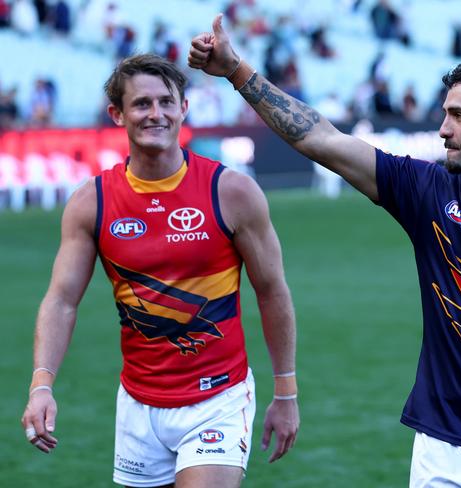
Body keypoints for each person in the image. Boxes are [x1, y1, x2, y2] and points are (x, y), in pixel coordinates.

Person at [188, 15, 461, 487]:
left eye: (457, 115)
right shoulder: (428, 191)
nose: (442, 129)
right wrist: (236, 72)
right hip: (446, 447)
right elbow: (322, 139)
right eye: (444, 114)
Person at [21, 53, 299, 488]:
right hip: (138, 403)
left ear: (184, 108)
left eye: (167, 102)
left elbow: (272, 291)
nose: (156, 114)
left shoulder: (231, 191)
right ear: (117, 114)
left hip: (218, 398)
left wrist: (286, 392)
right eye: (141, 104)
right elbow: (61, 300)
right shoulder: (90, 202)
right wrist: (42, 386)